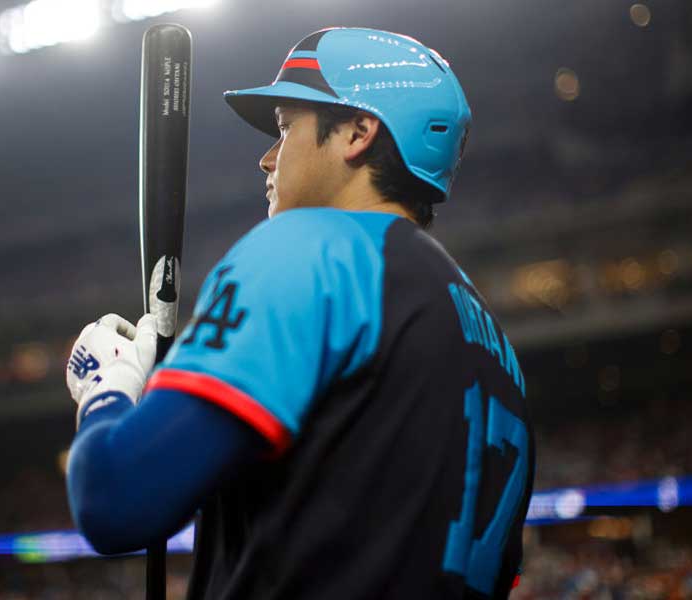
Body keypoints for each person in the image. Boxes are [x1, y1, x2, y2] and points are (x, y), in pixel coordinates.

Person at [64, 27, 535, 599]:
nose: (266, 157)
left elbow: (116, 499)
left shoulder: (312, 250)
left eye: (286, 127)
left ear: (358, 133)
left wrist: (106, 388)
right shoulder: (491, 340)